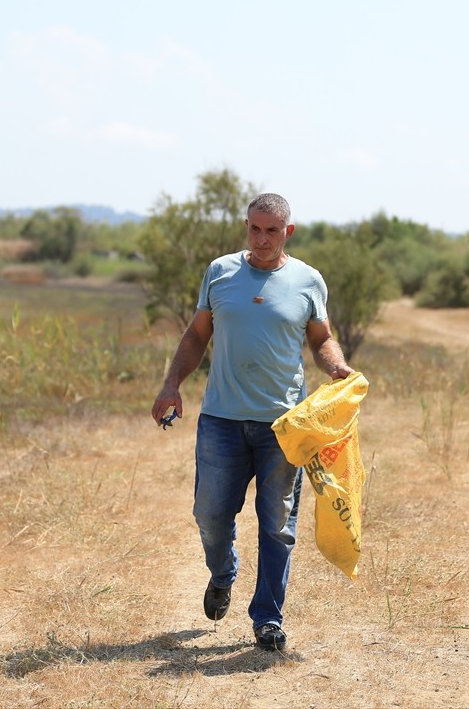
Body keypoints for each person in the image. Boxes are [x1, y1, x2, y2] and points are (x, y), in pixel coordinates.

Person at [150, 192, 354, 652]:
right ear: (246, 226)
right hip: (221, 420)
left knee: (277, 522)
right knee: (210, 515)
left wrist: (337, 367)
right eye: (255, 229)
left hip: (284, 426)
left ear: (288, 232)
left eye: (272, 231)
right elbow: (196, 335)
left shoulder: (308, 280)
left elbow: (321, 338)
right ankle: (223, 573)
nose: (262, 239)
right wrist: (171, 384)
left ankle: (267, 619)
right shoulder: (220, 271)